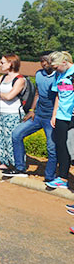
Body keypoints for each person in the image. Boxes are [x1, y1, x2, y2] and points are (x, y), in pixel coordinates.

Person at [5, 53, 56, 179]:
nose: (44, 63)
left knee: (51, 147)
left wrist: (55, 116)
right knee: (17, 134)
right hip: (37, 116)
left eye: (46, 61)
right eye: (41, 61)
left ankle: (50, 176)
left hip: (51, 118)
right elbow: (38, 93)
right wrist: (32, 110)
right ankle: (20, 168)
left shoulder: (58, 76)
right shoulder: (39, 74)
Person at [47, 51, 74, 190]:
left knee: (71, 148)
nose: (55, 70)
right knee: (61, 146)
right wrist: (54, 114)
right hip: (61, 116)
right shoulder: (59, 74)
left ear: (64, 62)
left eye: (56, 67)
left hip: (72, 117)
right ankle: (63, 178)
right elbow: (58, 94)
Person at [0, 54, 25, 170]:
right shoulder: (2, 78)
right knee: (0, 138)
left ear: (11, 63)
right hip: (0, 112)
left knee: (11, 138)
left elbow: (9, 96)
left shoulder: (20, 79)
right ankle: (4, 161)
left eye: (3, 62)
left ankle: (16, 163)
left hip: (13, 113)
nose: (0, 65)